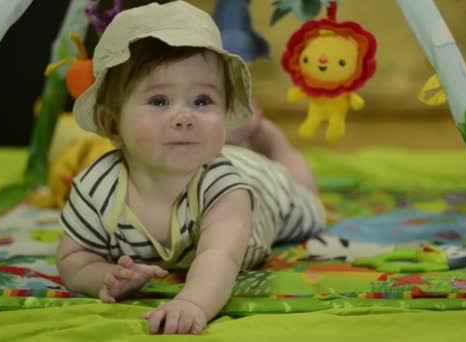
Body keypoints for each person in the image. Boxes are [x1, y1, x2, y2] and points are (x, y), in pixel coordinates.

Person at [55, 1, 325, 335]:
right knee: (237, 154)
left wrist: (193, 302)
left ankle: (273, 141)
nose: (185, 117)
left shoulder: (226, 191)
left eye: (202, 101)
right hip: (219, 158)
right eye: (159, 101)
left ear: (224, 112)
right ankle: (246, 139)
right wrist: (104, 278)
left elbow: (220, 257)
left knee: (309, 203)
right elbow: (72, 259)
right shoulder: (97, 188)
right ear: (111, 125)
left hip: (261, 186)